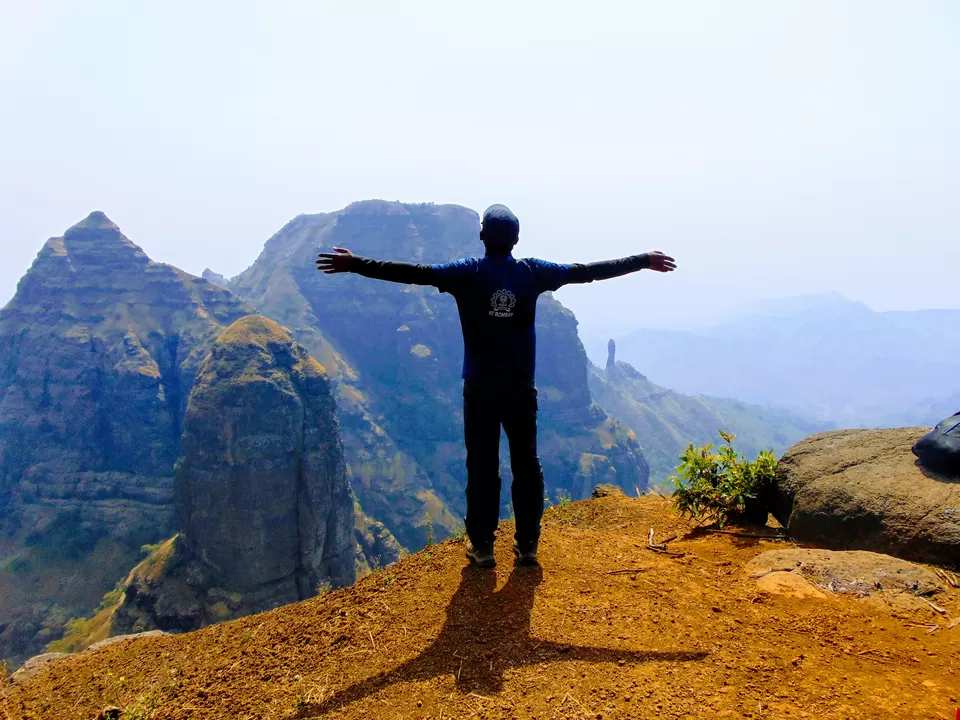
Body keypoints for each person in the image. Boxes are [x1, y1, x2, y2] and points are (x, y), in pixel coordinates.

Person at [316, 204, 676, 569]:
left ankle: (484, 548)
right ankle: (528, 546)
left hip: (480, 389)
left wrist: (355, 263)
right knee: (527, 466)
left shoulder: (466, 273)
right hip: (520, 389)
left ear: (482, 237)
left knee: (483, 468)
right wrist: (642, 260)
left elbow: (415, 272)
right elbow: (587, 273)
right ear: (516, 240)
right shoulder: (532, 272)